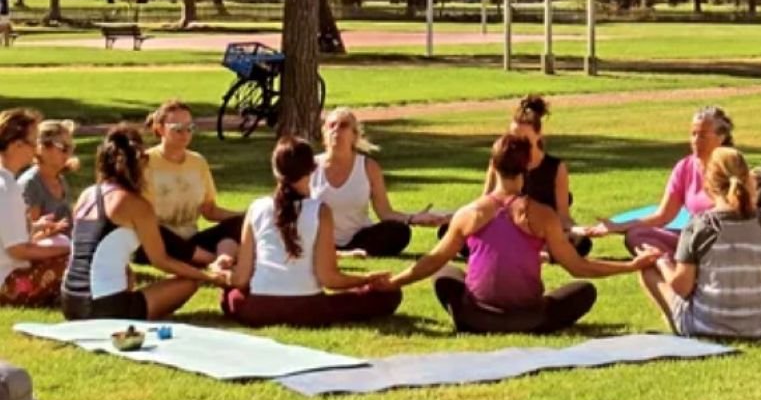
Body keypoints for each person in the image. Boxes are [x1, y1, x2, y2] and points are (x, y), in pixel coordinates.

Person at [380, 134, 662, 334]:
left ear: (493, 166)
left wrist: (393, 282)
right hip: (531, 318)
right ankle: (507, 317)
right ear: (527, 166)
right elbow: (578, 267)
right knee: (583, 293)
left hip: (477, 317)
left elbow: (432, 261)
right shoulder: (542, 215)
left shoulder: (469, 213)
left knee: (445, 275)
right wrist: (631, 265)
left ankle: (471, 318)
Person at [222, 137, 402, 327]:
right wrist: (367, 279)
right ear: (313, 169)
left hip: (258, 308)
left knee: (230, 295)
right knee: (388, 293)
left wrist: (222, 273)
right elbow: (329, 278)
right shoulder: (320, 210)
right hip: (308, 309)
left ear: (275, 170)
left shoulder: (256, 207)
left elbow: (240, 279)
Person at [61, 126, 230, 321]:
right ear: (138, 164)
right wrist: (208, 277)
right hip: (103, 308)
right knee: (188, 283)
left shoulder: (88, 194)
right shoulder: (135, 204)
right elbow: (161, 260)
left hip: (70, 302)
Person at [639, 147, 761, 338]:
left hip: (705, 327)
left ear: (708, 185)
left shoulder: (700, 225)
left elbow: (682, 287)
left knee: (647, 268)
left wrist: (663, 263)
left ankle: (676, 323)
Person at [585, 106, 733, 255]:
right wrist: (618, 226)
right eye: (693, 134)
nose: (695, 140)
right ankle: (673, 267)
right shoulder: (685, 167)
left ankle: (676, 269)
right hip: (693, 238)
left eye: (702, 135)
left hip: (725, 242)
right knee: (636, 236)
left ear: (721, 138)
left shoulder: (732, 167)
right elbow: (662, 216)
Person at [311, 108, 447, 258]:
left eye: (343, 126)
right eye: (331, 125)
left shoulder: (369, 167)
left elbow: (385, 212)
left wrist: (413, 219)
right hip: (319, 238)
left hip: (358, 238)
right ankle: (337, 253)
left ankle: (345, 252)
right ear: (324, 133)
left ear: (354, 135)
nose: (336, 130)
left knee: (399, 232)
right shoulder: (310, 166)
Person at [479, 96, 591, 257]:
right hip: (509, 228)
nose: (518, 144)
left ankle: (539, 250)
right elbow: (485, 202)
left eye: (524, 139)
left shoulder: (556, 167)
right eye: (513, 138)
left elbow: (563, 216)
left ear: (538, 135)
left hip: (545, 229)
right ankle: (540, 252)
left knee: (581, 242)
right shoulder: (500, 162)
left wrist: (577, 229)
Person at [139, 100, 243, 267]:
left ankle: (222, 258)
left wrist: (244, 215)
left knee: (241, 222)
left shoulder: (198, 162)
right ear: (160, 129)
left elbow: (209, 211)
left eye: (190, 128)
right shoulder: (144, 162)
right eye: (177, 129)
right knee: (152, 232)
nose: (185, 133)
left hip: (191, 238)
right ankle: (211, 259)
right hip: (157, 239)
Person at [0, 109, 70, 306]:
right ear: (16, 145)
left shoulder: (6, 183)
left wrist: (35, 227)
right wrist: (65, 249)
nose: (36, 149)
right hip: (7, 283)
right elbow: (18, 251)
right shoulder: (7, 189)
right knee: (77, 260)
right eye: (33, 143)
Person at [18, 119, 79, 229]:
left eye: (71, 147)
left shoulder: (59, 179)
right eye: (64, 147)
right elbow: (28, 236)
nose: (69, 153)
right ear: (42, 148)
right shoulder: (31, 184)